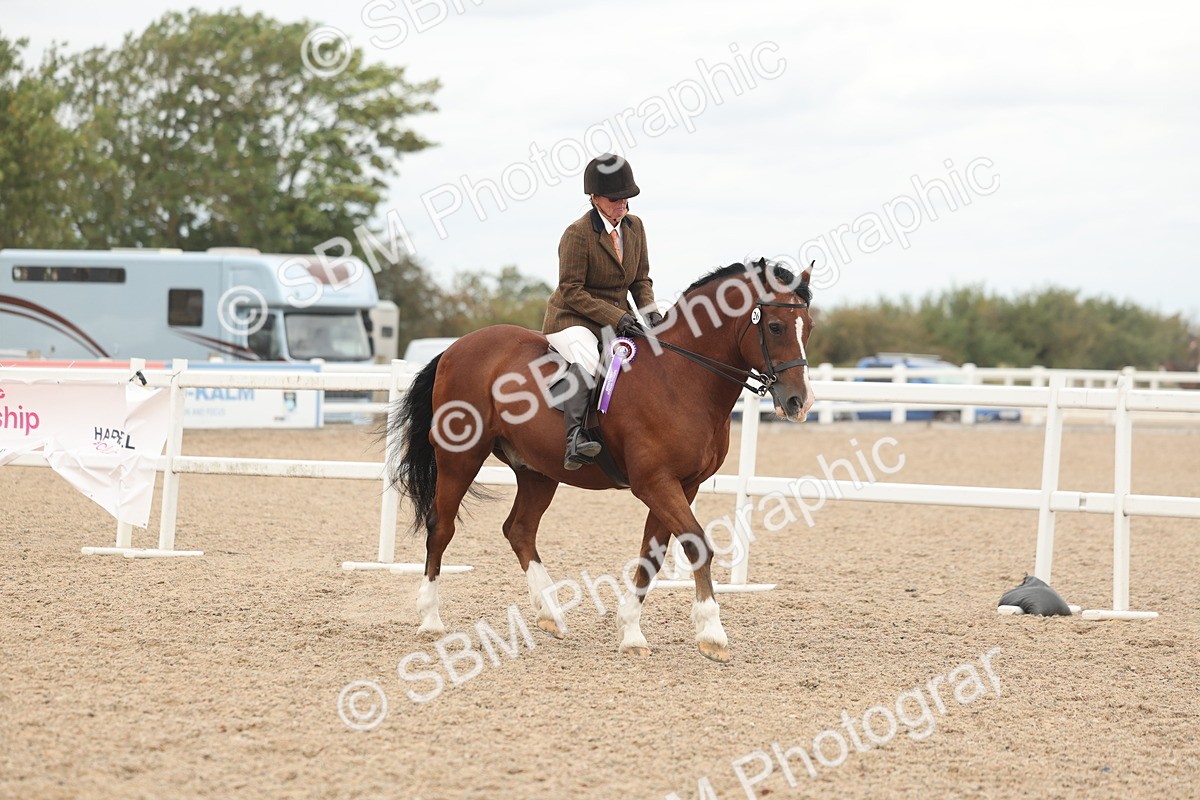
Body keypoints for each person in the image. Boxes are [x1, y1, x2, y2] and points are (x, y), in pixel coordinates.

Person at [542, 153, 664, 470]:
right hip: (573, 319)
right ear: (594, 197)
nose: (621, 204)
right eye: (614, 199)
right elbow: (571, 289)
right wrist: (618, 318)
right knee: (588, 357)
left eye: (626, 197)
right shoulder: (578, 234)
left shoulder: (635, 227)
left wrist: (651, 315)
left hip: (616, 319)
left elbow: (640, 279)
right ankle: (575, 440)